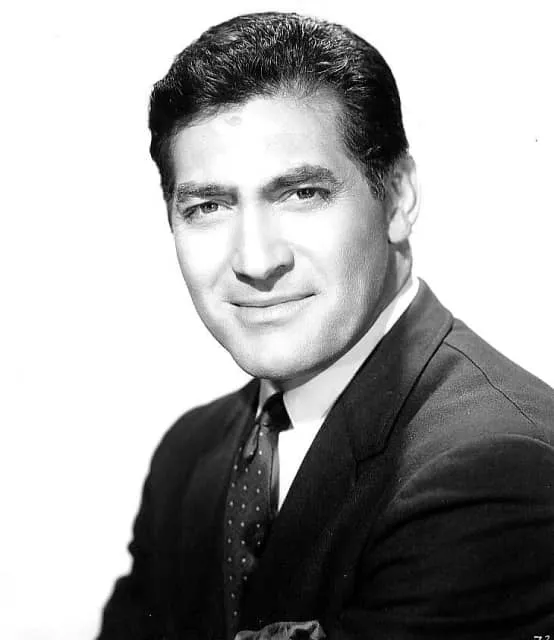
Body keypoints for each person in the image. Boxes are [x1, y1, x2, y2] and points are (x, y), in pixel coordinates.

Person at [96, 11, 554, 640]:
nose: (256, 260)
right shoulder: (188, 456)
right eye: (208, 206)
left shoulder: (495, 467)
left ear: (399, 197)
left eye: (301, 194)